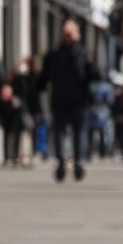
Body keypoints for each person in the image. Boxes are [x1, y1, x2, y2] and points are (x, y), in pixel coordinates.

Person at [41, 19, 97, 182]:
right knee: (63, 132)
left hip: (78, 101)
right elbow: (44, 77)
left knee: (76, 133)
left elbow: (93, 74)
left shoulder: (81, 53)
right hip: (62, 101)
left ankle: (77, 161)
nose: (68, 37)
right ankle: (62, 162)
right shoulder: (56, 54)